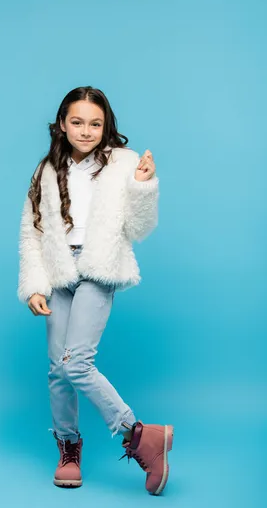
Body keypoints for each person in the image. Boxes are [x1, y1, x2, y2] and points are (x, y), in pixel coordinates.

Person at [17, 86, 174, 495]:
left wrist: (143, 186)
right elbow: (32, 233)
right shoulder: (46, 170)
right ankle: (69, 446)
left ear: (106, 127)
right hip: (59, 269)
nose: (86, 131)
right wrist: (34, 283)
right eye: (77, 122)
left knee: (76, 362)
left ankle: (138, 434)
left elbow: (140, 229)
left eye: (95, 123)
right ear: (62, 125)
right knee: (57, 369)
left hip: (99, 265)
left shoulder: (124, 162)